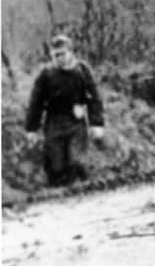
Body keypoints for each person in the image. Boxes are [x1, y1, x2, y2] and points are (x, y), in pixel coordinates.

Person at [24, 34, 106, 187]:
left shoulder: (82, 70)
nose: (59, 58)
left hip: (76, 122)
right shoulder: (46, 75)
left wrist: (97, 124)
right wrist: (31, 128)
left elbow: (94, 98)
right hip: (54, 122)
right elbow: (36, 102)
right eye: (55, 55)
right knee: (56, 167)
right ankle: (58, 196)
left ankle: (83, 194)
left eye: (62, 54)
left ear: (70, 52)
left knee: (76, 162)